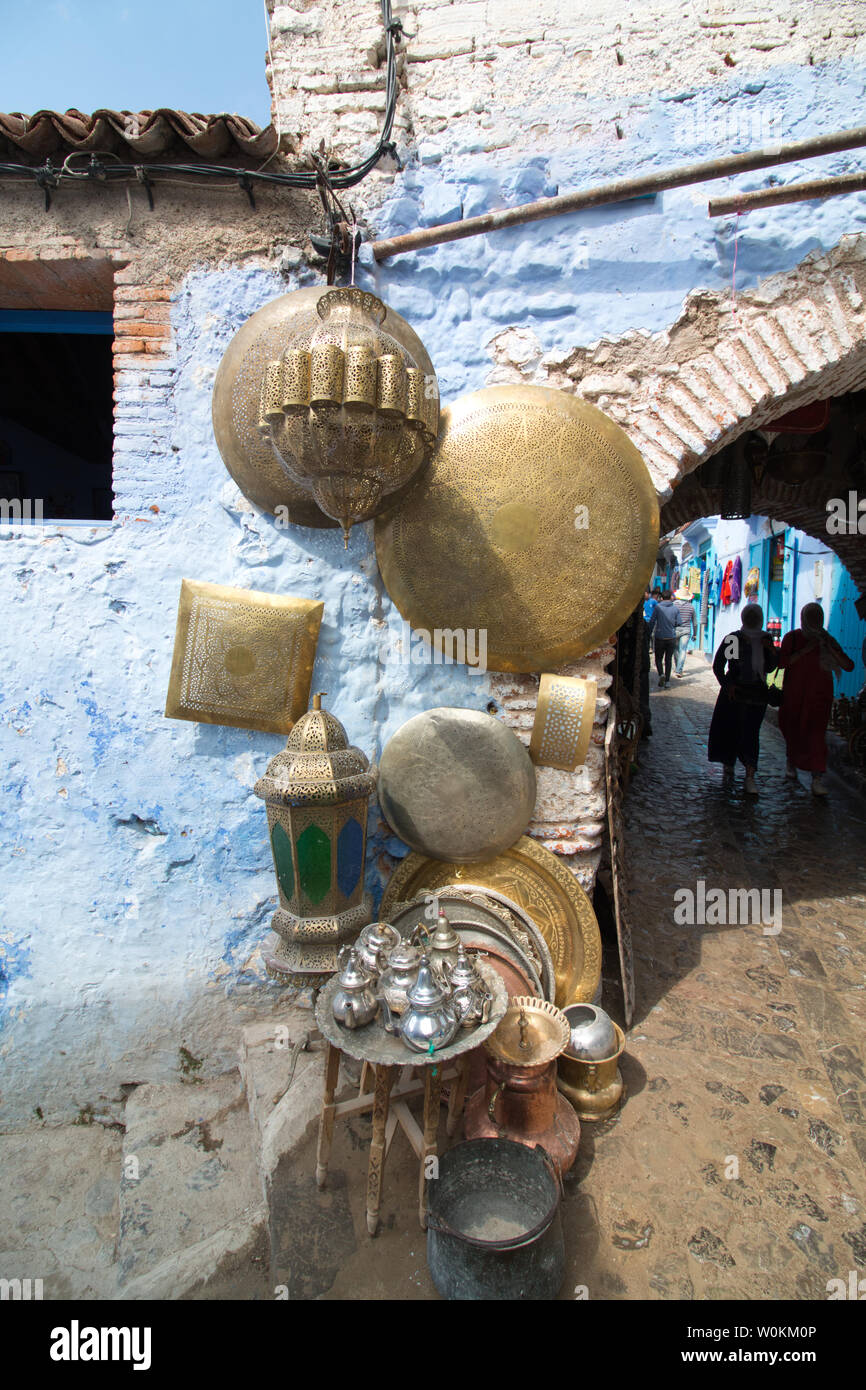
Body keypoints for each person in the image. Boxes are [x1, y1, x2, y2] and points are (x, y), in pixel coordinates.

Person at [777, 602, 854, 795]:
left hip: (819, 697)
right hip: (794, 696)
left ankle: (817, 778)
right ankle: (791, 763)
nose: (813, 622)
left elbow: (848, 665)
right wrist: (806, 650)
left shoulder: (828, 641)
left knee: (816, 737)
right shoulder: (792, 638)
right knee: (793, 731)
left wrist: (830, 647)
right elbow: (782, 662)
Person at [708, 602, 778, 796]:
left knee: (750, 733)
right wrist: (728, 684)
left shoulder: (765, 639)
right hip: (736, 695)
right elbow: (723, 666)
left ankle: (749, 774)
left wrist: (771, 651)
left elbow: (770, 668)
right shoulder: (735, 640)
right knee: (732, 730)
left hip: (756, 696)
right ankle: (729, 764)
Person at [647, 589, 679, 688]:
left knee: (658, 658)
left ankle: (661, 674)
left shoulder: (657, 607)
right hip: (671, 637)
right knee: (668, 659)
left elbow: (652, 621)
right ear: (670, 598)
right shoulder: (675, 609)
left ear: (662, 598)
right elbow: (679, 622)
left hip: (660, 637)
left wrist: (649, 632)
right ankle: (668, 681)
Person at [673, 586, 697, 678]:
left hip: (675, 630)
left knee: (675, 649)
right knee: (683, 650)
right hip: (686, 631)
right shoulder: (691, 607)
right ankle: (679, 670)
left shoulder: (674, 604)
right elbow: (695, 622)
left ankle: (677, 667)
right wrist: (695, 634)